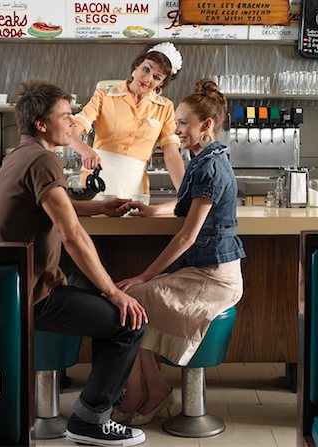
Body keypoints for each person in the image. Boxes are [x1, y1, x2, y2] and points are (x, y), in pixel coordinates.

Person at [0, 79, 149, 447]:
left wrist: (98, 207)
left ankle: (100, 406)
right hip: (31, 294)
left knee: (106, 298)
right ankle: (91, 420)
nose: (72, 122)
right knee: (129, 320)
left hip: (12, 284)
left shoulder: (22, 153)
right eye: (64, 116)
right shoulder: (43, 159)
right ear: (42, 124)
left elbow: (52, 205)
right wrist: (114, 293)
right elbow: (71, 233)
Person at [112, 78, 246, 425]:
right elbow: (187, 206)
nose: (177, 129)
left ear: (207, 125)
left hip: (215, 279)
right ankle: (149, 389)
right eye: (177, 122)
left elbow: (187, 236)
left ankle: (147, 392)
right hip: (203, 271)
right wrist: (151, 210)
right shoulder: (204, 160)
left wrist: (146, 273)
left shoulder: (211, 166)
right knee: (132, 301)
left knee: (135, 296)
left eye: (184, 123)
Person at [69, 42, 185, 198]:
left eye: (157, 77)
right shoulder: (104, 96)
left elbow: (171, 155)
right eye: (146, 69)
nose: (148, 78)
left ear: (161, 83)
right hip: (97, 181)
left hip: (135, 187)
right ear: (137, 66)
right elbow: (69, 132)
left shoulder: (165, 107)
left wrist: (185, 196)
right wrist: (85, 150)